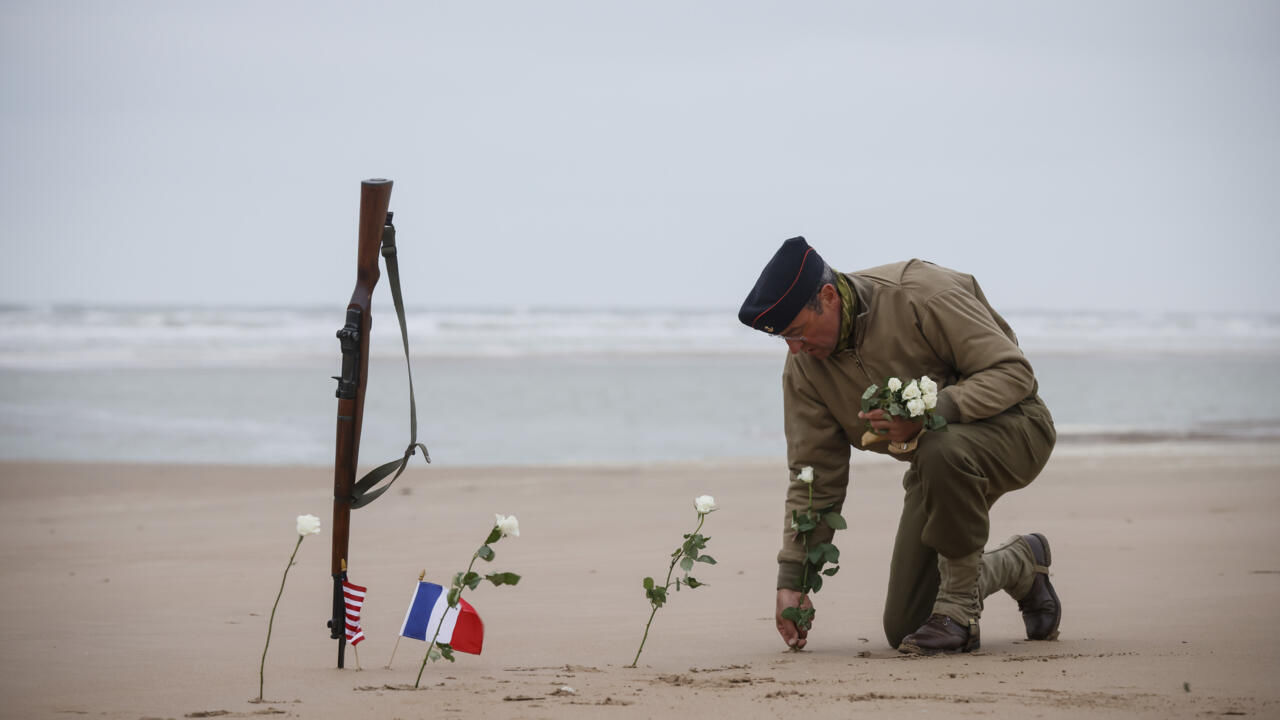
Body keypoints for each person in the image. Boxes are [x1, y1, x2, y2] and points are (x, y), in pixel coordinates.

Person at [737, 236, 1061, 655]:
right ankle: (1021, 563)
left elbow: (1014, 373)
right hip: (937, 466)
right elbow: (813, 473)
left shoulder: (920, 294)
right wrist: (793, 580)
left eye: (797, 332)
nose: (795, 349)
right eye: (783, 339)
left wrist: (933, 411)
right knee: (908, 624)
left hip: (1017, 430)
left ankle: (959, 612)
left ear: (829, 296)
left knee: (938, 445)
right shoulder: (805, 367)